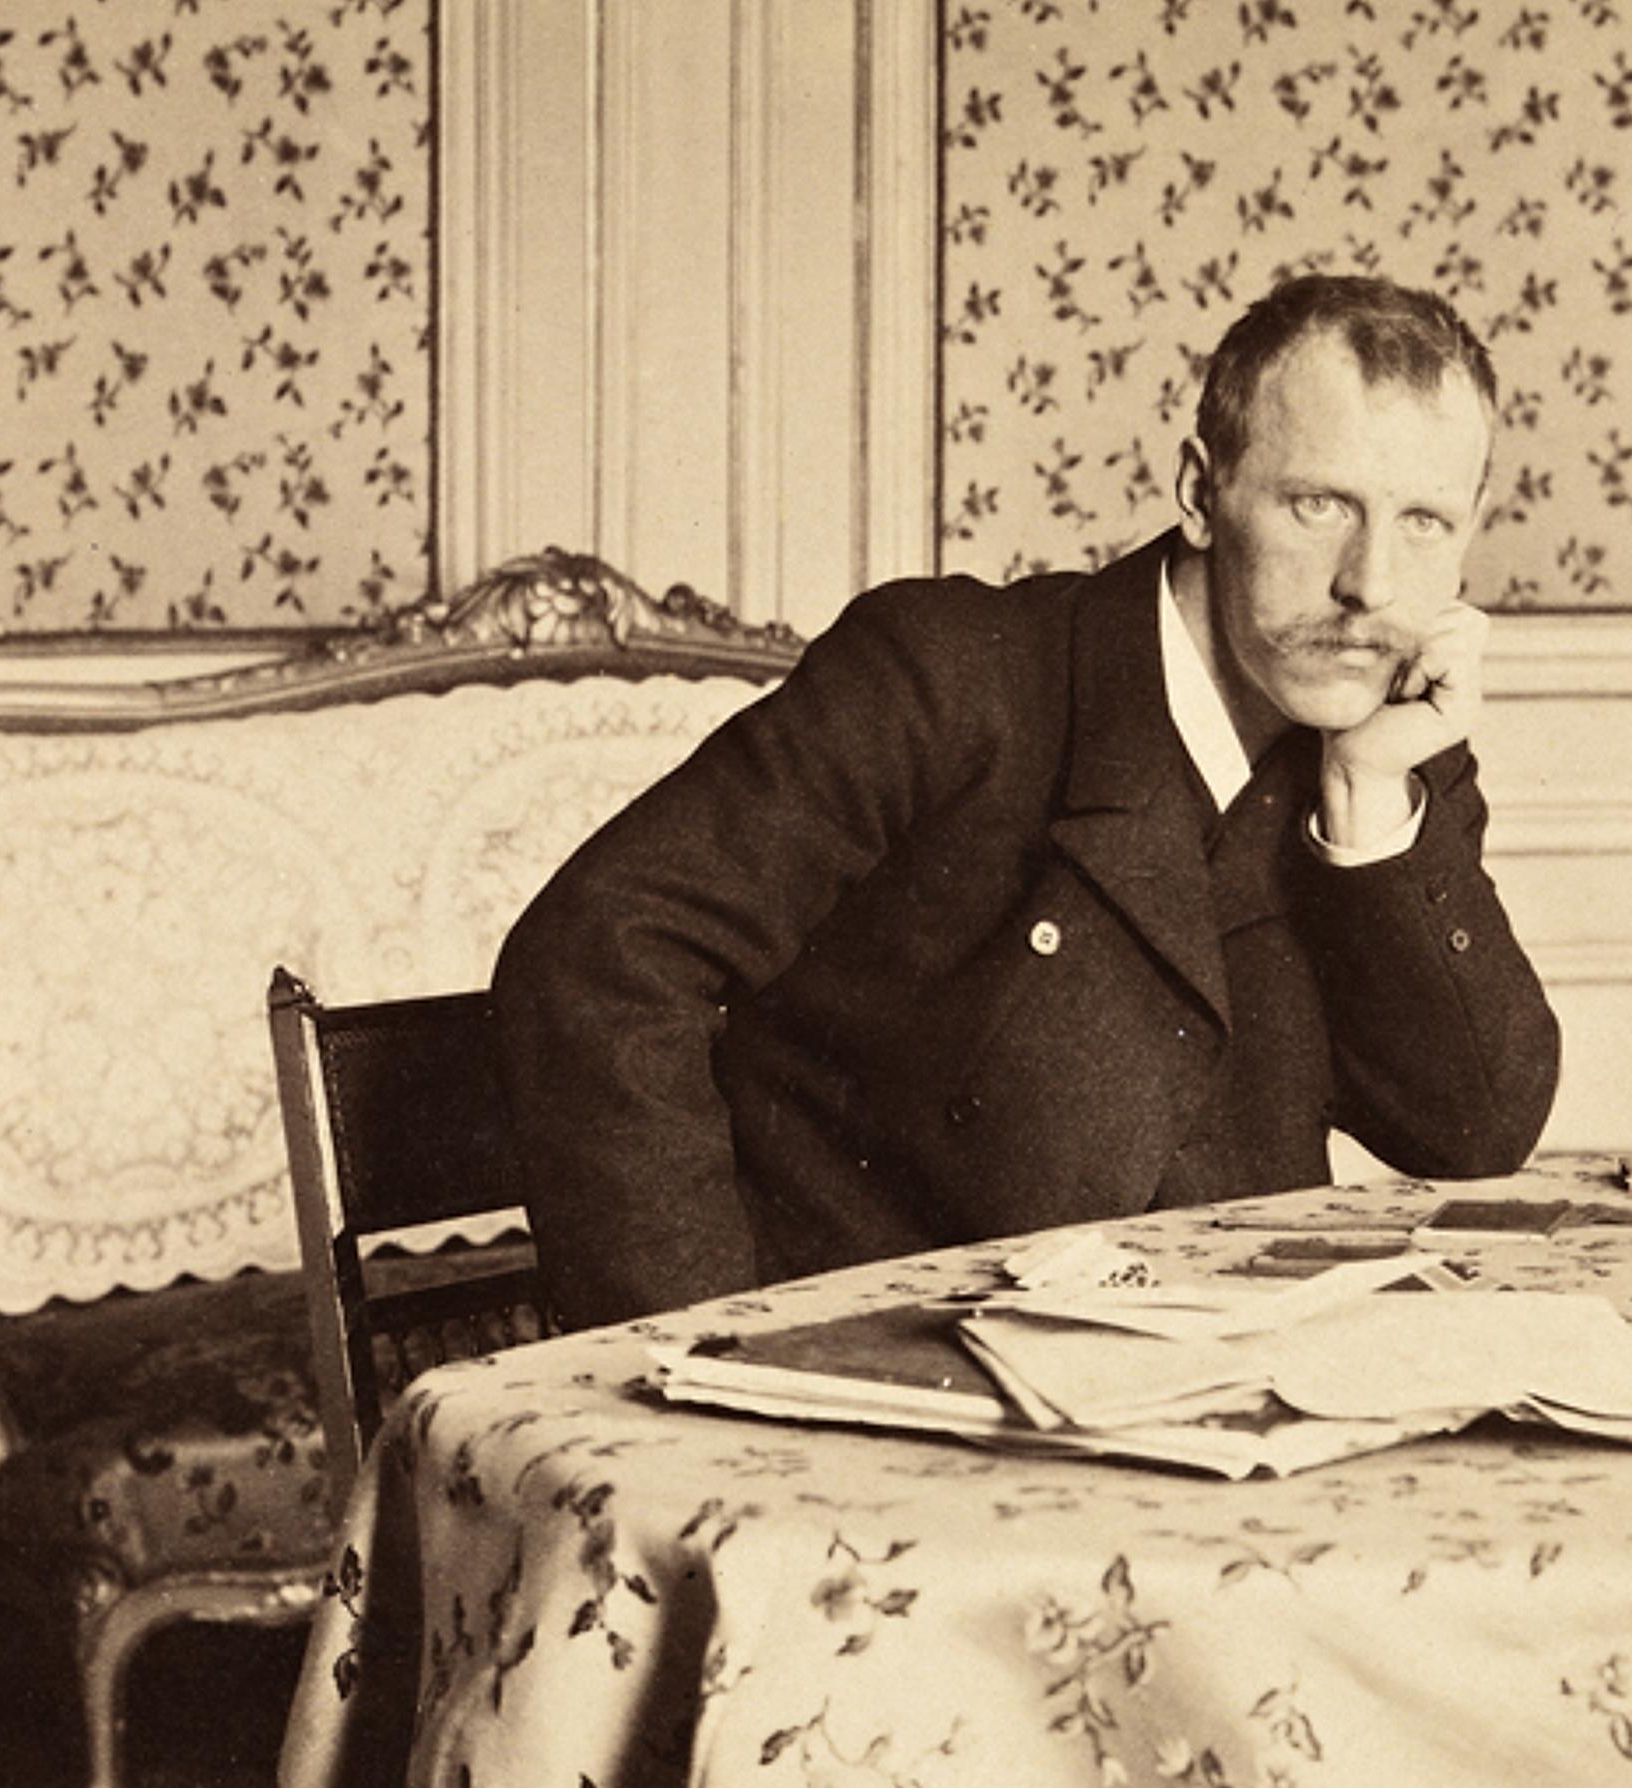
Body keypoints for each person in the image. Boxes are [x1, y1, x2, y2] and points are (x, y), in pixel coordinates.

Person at [490, 274, 1562, 1331]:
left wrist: (1370, 804)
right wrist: (696, 1342)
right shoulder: (953, 676)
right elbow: (601, 952)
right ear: (1200, 493)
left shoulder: (1385, 745)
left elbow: (1472, 1133)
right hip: (892, 1399)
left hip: (1203, 1392)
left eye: (1424, 523)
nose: (1370, 584)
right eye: (1318, 505)